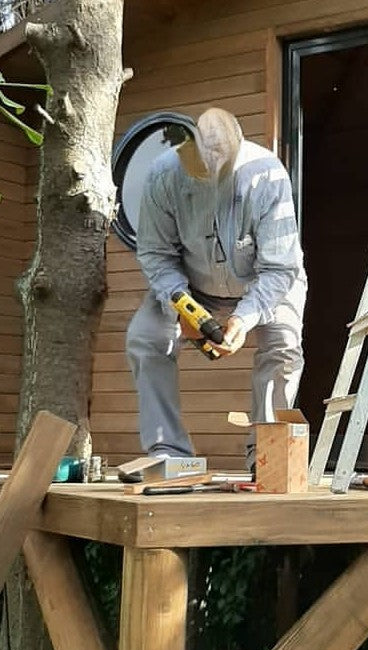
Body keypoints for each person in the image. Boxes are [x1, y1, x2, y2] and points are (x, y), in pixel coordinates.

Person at [126, 107, 306, 468]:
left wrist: (244, 319)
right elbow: (155, 253)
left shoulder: (267, 176)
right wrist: (182, 303)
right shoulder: (162, 176)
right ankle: (168, 453)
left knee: (283, 344)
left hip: (263, 283)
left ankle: (266, 456)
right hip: (193, 286)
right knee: (145, 338)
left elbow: (278, 268)